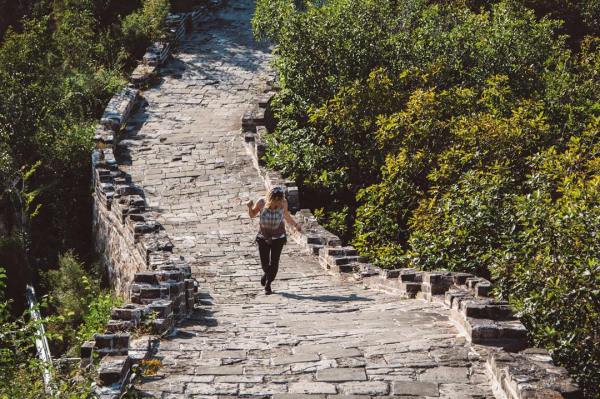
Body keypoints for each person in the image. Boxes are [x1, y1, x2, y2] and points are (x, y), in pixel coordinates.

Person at [246, 186, 302, 295]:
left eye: (278, 201)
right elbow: (252, 215)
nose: (276, 204)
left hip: (279, 237)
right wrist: (249, 207)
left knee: (274, 262)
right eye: (274, 202)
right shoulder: (261, 203)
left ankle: (268, 284)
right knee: (265, 264)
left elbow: (286, 215)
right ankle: (266, 274)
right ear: (269, 199)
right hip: (263, 237)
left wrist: (295, 225)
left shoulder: (283, 203)